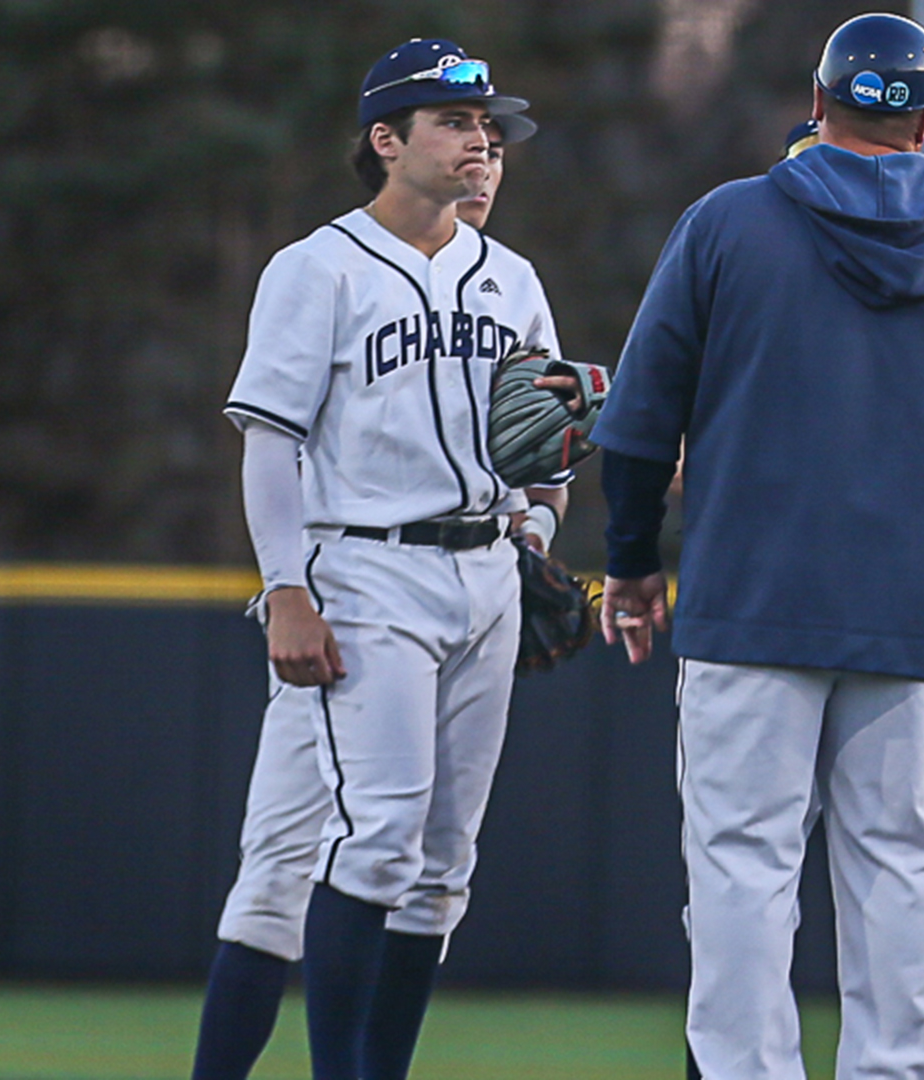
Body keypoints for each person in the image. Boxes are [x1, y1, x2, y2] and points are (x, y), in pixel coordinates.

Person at [591, 13, 924, 1079]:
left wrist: (631, 560)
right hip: (915, 615)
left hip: (750, 603)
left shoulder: (726, 224)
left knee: (740, 871)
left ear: (816, 104)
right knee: (905, 871)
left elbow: (633, 429)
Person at [213, 38, 565, 1080]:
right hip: (365, 570)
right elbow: (270, 440)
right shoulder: (316, 268)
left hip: (488, 572)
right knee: (372, 842)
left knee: (442, 870)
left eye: (491, 132)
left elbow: (543, 441)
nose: (482, 145)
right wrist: (284, 587)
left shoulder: (512, 278)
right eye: (458, 124)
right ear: (386, 140)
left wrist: (540, 537)